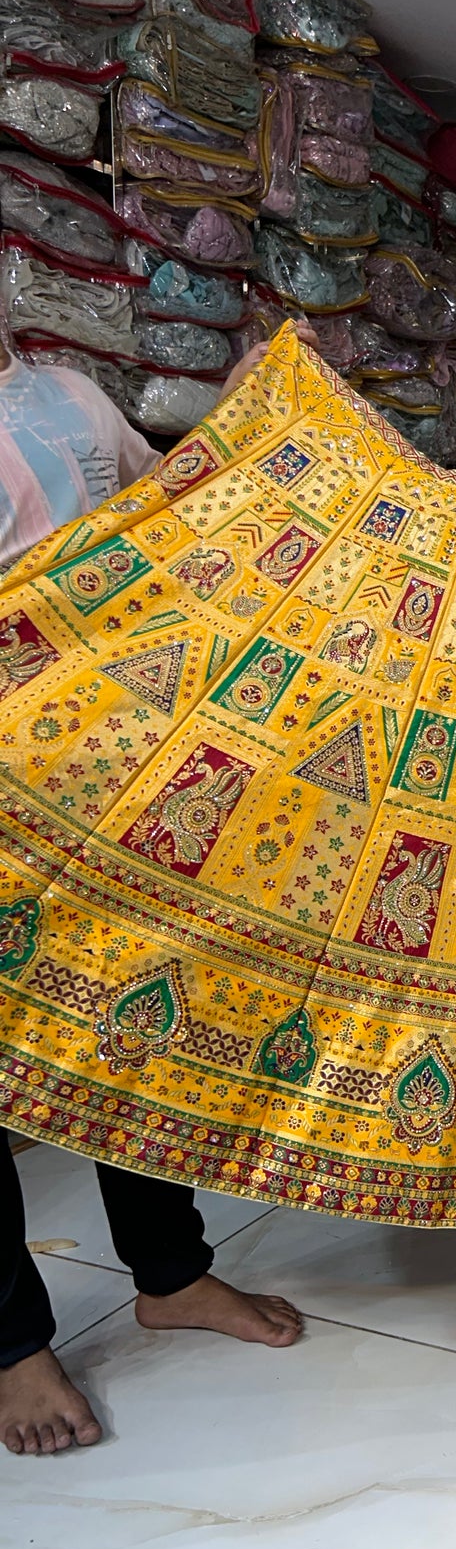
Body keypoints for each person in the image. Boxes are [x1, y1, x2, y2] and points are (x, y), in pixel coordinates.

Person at [0, 335, 307, 1457]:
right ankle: (12, 1348)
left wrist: (245, 411)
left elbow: (175, 522)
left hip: (116, 781)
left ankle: (171, 1275)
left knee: (133, 1027)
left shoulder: (67, 394)